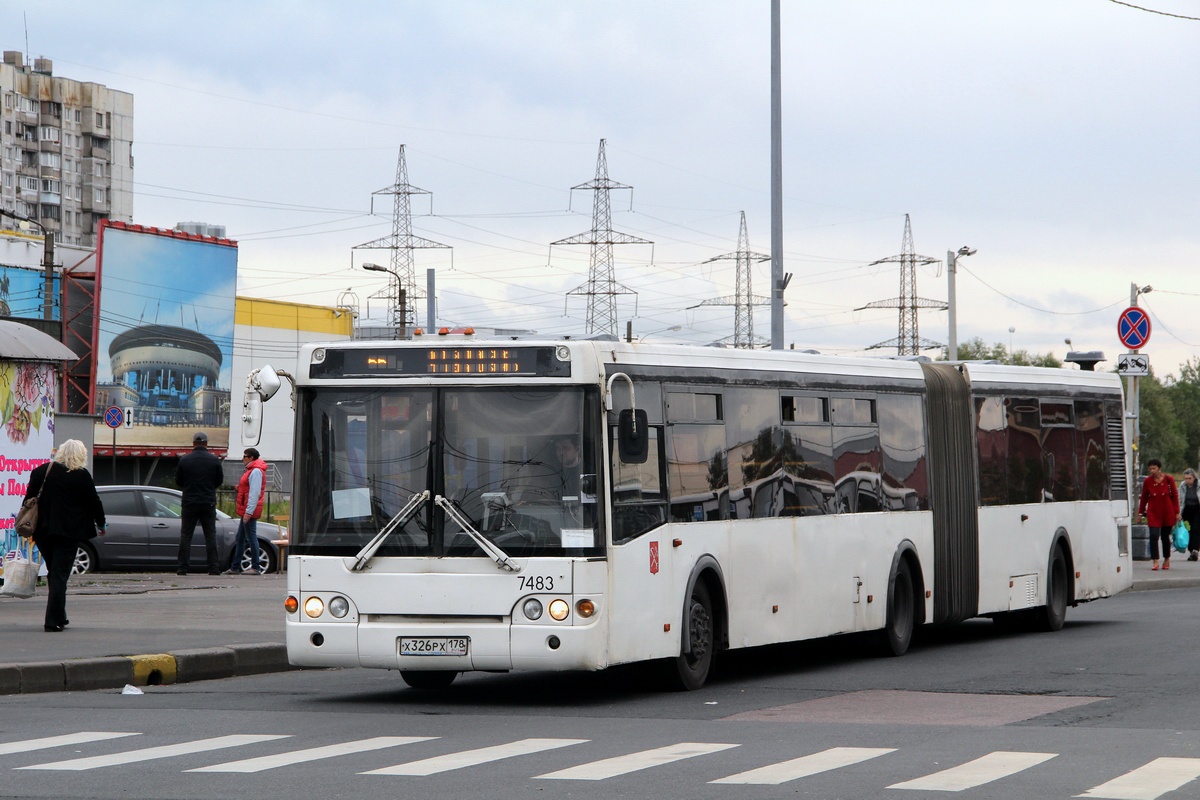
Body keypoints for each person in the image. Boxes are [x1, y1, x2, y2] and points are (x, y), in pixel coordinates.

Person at [22, 439, 106, 632]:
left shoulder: (42, 471)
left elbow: (28, 500)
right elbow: (94, 502)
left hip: (43, 531)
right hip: (69, 532)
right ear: (81, 455)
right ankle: (52, 621)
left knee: (55, 572)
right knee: (60, 574)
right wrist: (101, 523)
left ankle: (61, 615)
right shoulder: (81, 475)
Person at [175, 431, 225, 575]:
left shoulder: (185, 460)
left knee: (186, 535)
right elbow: (219, 481)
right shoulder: (214, 460)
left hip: (190, 501)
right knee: (210, 535)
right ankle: (213, 567)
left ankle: (183, 567)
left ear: (193, 444)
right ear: (206, 444)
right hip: (208, 501)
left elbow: (179, 481)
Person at [225, 447, 267, 575]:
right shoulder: (251, 470)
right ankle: (236, 566)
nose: (242, 458)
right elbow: (249, 489)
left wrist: (249, 512)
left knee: (251, 537)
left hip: (249, 510)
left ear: (251, 458)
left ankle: (255, 566)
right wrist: (240, 489)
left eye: (245, 456)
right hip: (247, 509)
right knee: (241, 537)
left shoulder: (255, 472)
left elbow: (254, 492)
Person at [1138, 458, 1180, 571]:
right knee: (1153, 535)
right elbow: (1144, 498)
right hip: (1153, 512)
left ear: (1159, 468)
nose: (1152, 471)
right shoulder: (1148, 481)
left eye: (1154, 468)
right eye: (1150, 468)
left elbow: (1175, 496)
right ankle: (1155, 560)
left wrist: (1177, 512)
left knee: (1165, 537)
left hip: (1167, 512)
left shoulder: (1168, 479)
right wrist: (1140, 513)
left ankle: (1166, 558)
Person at [1182, 468, 1200, 561]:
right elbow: (1181, 500)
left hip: (1197, 508)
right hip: (1187, 509)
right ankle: (1191, 550)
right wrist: (1179, 512)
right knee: (1188, 530)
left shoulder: (1198, 485)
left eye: (1189, 478)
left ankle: (1195, 550)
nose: (1187, 480)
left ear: (1194, 478)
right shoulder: (1183, 485)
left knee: (1196, 529)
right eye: (1186, 478)